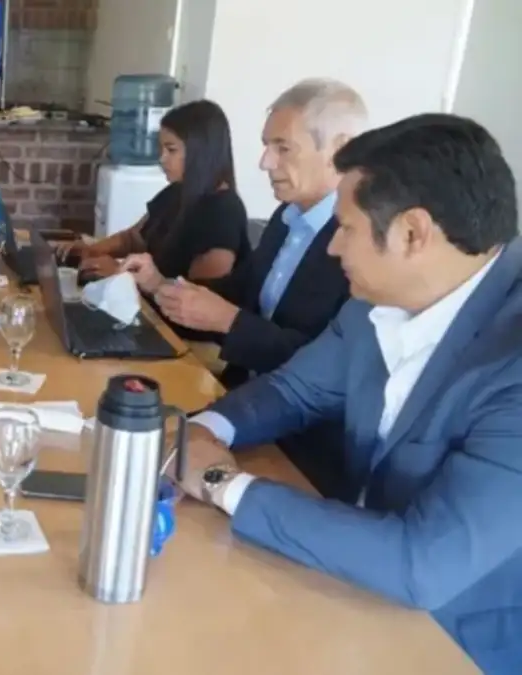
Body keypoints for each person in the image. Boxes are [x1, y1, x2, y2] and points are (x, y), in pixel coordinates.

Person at [179, 113, 522, 674]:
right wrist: (202, 431)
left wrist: (221, 482)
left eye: (346, 228)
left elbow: (421, 563)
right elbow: (292, 390)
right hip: (344, 581)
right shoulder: (375, 302)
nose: (334, 248)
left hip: (453, 642)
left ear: (412, 233)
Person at [123, 79, 365, 500]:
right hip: (238, 403)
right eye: (266, 146)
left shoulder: (360, 246)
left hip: (302, 448)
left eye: (283, 148)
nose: (265, 162)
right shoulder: (286, 220)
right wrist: (160, 285)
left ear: (340, 149)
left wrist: (229, 321)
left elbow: (323, 371)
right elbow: (238, 293)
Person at [57, 99, 249, 284]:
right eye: (161, 148)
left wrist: (120, 274)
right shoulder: (176, 192)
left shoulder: (224, 214)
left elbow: (196, 296)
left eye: (171, 150)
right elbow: (132, 239)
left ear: (201, 152)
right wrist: (92, 250)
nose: (162, 158)